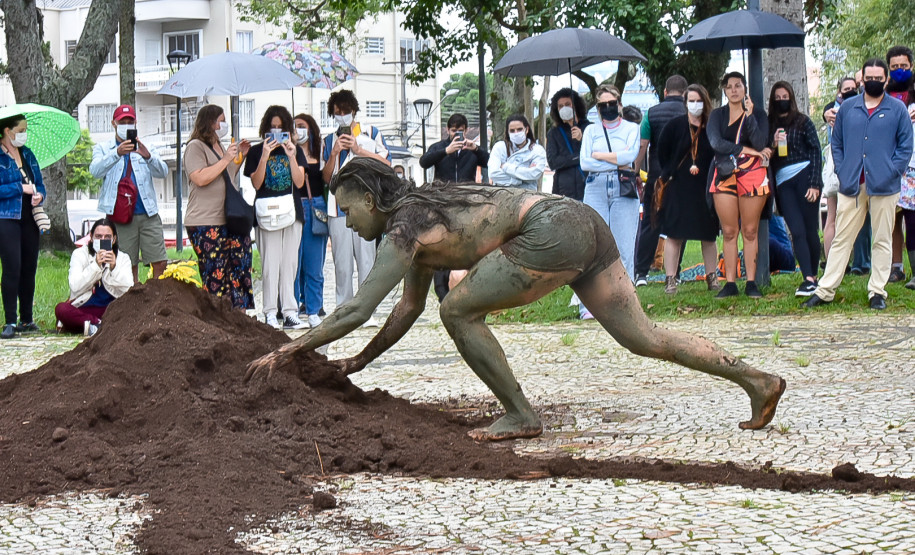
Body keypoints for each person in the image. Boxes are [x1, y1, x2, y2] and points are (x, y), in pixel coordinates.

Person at [244, 157, 788, 442]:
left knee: (456, 309)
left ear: (369, 198)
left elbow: (356, 307)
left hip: (550, 228)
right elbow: (404, 309)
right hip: (581, 221)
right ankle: (757, 381)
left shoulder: (402, 227)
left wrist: (286, 352)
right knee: (645, 338)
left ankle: (520, 414)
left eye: (347, 210)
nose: (346, 221)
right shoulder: (417, 220)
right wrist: (357, 363)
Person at [804, 58, 914, 310]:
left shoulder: (897, 109)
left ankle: (877, 291)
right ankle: (825, 289)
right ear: (862, 80)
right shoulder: (848, 108)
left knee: (883, 238)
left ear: (886, 80)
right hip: (852, 184)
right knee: (842, 237)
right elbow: (838, 143)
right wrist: (842, 170)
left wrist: (892, 171)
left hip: (885, 185)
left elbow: (905, 146)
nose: (874, 82)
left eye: (879, 78)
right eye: (869, 78)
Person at [322, 89, 391, 320]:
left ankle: (366, 309)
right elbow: (325, 176)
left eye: (346, 111)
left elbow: (387, 163)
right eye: (337, 113)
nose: (342, 116)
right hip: (337, 208)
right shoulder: (329, 139)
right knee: (341, 262)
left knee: (366, 259)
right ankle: (344, 307)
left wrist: (359, 150)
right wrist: (333, 154)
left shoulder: (371, 133)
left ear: (354, 110)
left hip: (366, 206)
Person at [183, 104, 254, 310]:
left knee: (236, 266)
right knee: (215, 273)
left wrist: (239, 158)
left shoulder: (220, 146)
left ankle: (236, 312)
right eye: (221, 120)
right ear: (210, 122)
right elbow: (200, 177)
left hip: (227, 219)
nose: (224, 125)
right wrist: (225, 159)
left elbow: (225, 176)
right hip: (205, 221)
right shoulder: (195, 146)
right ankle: (215, 315)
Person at [707, 72, 770, 298]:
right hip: (724, 172)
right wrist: (747, 151)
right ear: (724, 90)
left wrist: (750, 115)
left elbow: (762, 142)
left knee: (750, 230)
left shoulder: (757, 114)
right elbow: (716, 142)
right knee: (730, 230)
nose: (734, 90)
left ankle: (751, 282)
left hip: (753, 174)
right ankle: (730, 282)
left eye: (738, 85)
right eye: (730, 86)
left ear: (745, 89)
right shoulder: (717, 115)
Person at [244, 105, 308, 329]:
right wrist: (264, 155)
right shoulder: (255, 152)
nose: (276, 133)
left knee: (290, 264)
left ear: (288, 130)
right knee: (270, 264)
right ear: (265, 130)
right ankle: (270, 312)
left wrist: (291, 155)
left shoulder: (295, 150)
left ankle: (289, 312)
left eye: (281, 129)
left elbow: (299, 182)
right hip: (266, 212)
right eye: (272, 128)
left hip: (292, 212)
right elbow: (256, 183)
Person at [90, 104, 169, 284]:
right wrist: (117, 153)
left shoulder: (146, 146)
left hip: (148, 212)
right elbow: (95, 171)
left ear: (135, 122)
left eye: (130, 121)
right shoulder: (103, 148)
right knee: (126, 263)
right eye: (122, 121)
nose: (126, 124)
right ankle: (133, 299)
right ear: (114, 123)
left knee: (159, 260)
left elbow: (163, 172)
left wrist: (147, 156)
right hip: (119, 216)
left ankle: (155, 297)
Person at [654, 84, 720, 295]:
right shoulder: (675, 126)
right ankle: (670, 278)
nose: (695, 105)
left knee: (708, 235)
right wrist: (670, 171)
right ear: (685, 103)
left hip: (705, 187)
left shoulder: (711, 126)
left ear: (705, 102)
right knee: (674, 234)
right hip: (679, 187)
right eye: (691, 101)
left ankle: (712, 277)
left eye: (698, 100)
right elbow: (662, 150)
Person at [580, 84, 641, 291]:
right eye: (602, 105)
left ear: (619, 104)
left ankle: (625, 294)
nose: (607, 107)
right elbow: (585, 163)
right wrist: (616, 159)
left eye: (611, 103)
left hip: (623, 185)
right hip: (595, 185)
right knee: (594, 243)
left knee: (623, 244)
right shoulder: (590, 131)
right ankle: (590, 298)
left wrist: (600, 155)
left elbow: (630, 157)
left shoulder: (632, 129)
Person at [767, 81, 823, 297]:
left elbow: (816, 150)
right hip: (783, 183)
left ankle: (814, 276)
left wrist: (815, 183)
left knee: (810, 230)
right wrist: (773, 143)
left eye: (785, 96)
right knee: (796, 230)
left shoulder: (802, 122)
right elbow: (765, 155)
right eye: (778, 98)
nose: (782, 101)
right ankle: (807, 277)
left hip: (805, 176)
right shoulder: (770, 125)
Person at [633, 75, 688, 287]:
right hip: (683, 178)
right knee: (678, 225)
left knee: (650, 224)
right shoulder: (688, 113)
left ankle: (641, 273)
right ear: (684, 94)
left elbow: (643, 146)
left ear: (665, 92)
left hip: (657, 177)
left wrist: (636, 172)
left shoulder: (651, 113)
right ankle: (676, 272)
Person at [0, 113, 46, 339]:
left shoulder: (28, 154)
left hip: (29, 218)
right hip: (6, 218)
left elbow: (40, 184)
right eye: (20, 131)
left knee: (29, 267)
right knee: (12, 267)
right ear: (8, 132)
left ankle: (26, 319)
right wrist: (21, 188)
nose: (24, 135)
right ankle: (9, 320)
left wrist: (39, 195)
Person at [54, 218, 133, 336]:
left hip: (112, 308)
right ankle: (98, 325)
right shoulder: (80, 254)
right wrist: (95, 266)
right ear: (91, 237)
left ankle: (88, 326)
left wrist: (113, 267)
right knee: (61, 309)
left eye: (107, 237)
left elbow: (128, 289)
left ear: (114, 239)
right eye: (98, 236)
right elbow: (75, 286)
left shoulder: (123, 258)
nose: (102, 240)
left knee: (134, 311)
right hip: (85, 307)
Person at [292, 113, 328, 328]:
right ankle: (292, 308)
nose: (299, 130)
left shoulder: (320, 150)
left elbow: (326, 176)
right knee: (293, 264)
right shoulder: (289, 151)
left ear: (311, 128)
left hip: (315, 206)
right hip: (294, 208)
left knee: (314, 264)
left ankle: (314, 308)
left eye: (302, 126)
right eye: (295, 126)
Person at [885, 46, 915, 284]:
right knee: (892, 219)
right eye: (894, 67)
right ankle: (896, 267)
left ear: (911, 66)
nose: (899, 71)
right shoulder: (884, 94)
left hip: (912, 165)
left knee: (913, 219)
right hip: (889, 165)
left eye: (903, 66)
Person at [822, 77, 860, 263]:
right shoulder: (833, 111)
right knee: (833, 215)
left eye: (854, 88)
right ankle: (832, 262)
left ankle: (856, 262)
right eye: (847, 88)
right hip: (838, 168)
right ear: (839, 91)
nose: (850, 91)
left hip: (858, 169)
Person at [546, 89, 591, 202]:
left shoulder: (590, 128)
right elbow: (553, 162)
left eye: (567, 104)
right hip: (563, 189)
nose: (564, 108)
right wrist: (578, 157)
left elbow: (594, 155)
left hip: (588, 186)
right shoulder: (554, 133)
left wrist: (582, 140)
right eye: (560, 106)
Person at [419, 113, 489, 184]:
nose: (456, 134)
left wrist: (476, 149)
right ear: (448, 130)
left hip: (467, 191)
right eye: (454, 130)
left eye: (460, 131)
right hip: (443, 191)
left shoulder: (471, 149)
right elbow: (423, 163)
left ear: (466, 130)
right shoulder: (438, 147)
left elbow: (489, 163)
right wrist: (445, 151)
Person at [487, 114, 547, 191]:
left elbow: (535, 174)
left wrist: (505, 167)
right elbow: (493, 174)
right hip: (502, 194)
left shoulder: (537, 150)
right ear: (507, 132)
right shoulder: (499, 147)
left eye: (519, 129)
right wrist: (521, 180)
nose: (516, 133)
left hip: (528, 196)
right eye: (512, 131)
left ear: (527, 129)